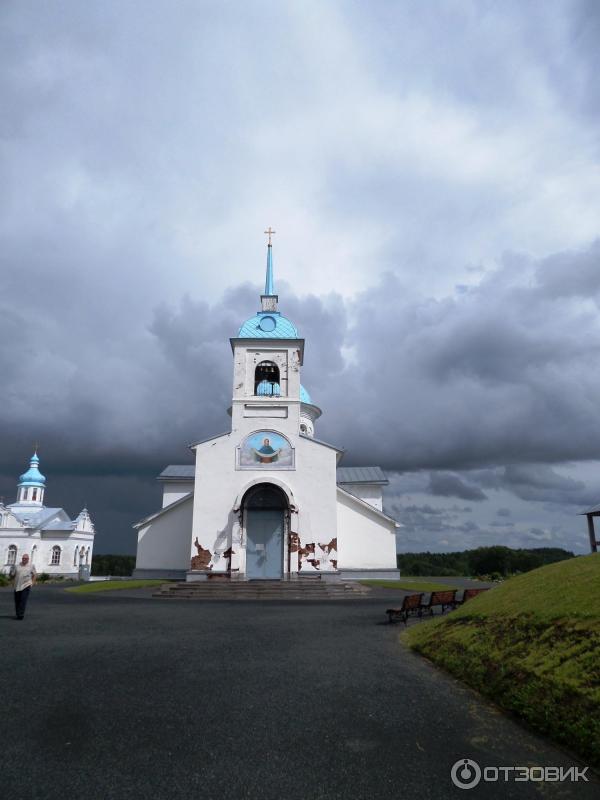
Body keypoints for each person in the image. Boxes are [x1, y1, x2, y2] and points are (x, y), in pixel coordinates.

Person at [12, 553, 36, 620]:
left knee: (23, 600)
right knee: (17, 600)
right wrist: (13, 581)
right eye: (23, 558)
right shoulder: (17, 566)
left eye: (26, 558)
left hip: (26, 585)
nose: (24, 559)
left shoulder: (31, 566)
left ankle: (21, 614)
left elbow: (34, 575)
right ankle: (18, 613)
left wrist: (32, 583)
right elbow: (13, 574)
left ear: (28, 559)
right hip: (17, 585)